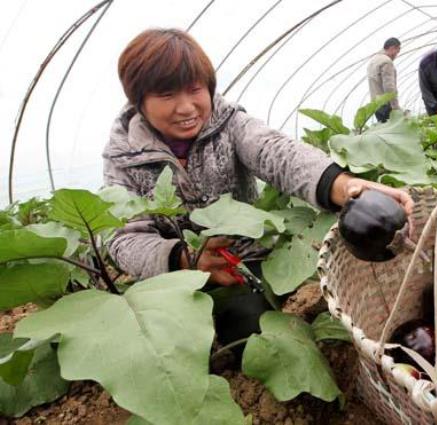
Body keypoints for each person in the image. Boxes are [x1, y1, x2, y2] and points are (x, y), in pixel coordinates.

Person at [103, 28, 414, 344]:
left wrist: (343, 185)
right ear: (139, 101)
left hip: (241, 262)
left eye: (195, 89)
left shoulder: (229, 123)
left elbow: (277, 154)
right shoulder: (123, 156)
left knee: (251, 331)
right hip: (170, 279)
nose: (186, 108)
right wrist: (183, 258)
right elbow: (122, 238)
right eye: (167, 95)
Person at [367, 37, 401, 123]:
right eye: (397, 52)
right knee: (392, 133)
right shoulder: (387, 61)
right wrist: (396, 108)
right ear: (392, 48)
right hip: (386, 105)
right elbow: (389, 87)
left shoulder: (373, 60)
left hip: (376, 106)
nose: (396, 56)